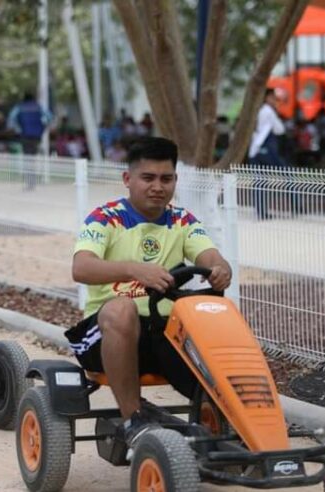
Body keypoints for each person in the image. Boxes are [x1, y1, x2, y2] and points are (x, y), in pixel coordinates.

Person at [66, 136, 232, 448]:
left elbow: (209, 256)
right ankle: (133, 420)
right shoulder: (106, 218)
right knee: (121, 308)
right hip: (105, 335)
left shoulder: (182, 220)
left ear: (175, 181)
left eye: (166, 179)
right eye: (148, 178)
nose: (158, 186)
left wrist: (220, 269)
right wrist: (133, 269)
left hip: (165, 334)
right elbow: (82, 268)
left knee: (215, 316)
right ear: (128, 180)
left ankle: (232, 420)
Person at [248, 88, 288, 219]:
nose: (274, 101)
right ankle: (295, 204)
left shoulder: (258, 111)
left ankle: (260, 211)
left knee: (259, 182)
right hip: (264, 149)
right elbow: (280, 129)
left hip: (254, 150)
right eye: (272, 98)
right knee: (286, 173)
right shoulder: (269, 111)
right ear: (266, 98)